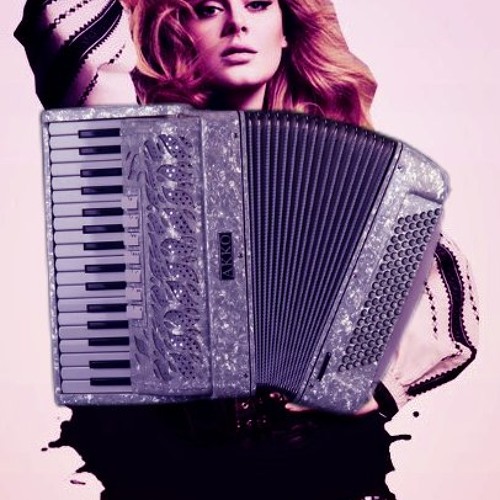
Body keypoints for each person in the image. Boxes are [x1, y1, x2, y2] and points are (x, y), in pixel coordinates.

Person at [15, 1, 479, 498]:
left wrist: (373, 384)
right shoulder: (133, 146)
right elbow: (62, 18)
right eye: (208, 9)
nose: (237, 22)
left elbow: (443, 294)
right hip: (164, 469)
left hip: (320, 465)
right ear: (176, 32)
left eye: (257, 4)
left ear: (287, 31)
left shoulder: (340, 166)